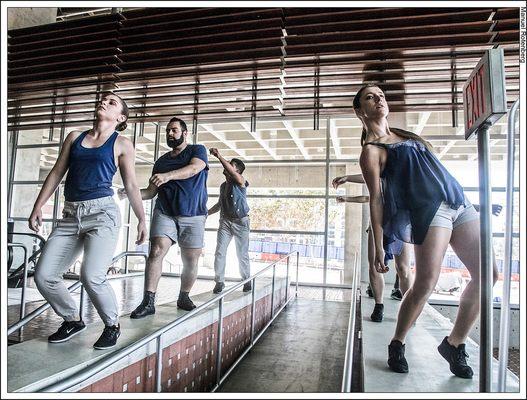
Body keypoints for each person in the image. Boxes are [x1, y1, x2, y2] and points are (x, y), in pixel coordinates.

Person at [354, 83, 498, 378]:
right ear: (360, 110)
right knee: (425, 283)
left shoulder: (407, 136)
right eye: (370, 97)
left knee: (489, 274)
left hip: (459, 202)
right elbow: (377, 199)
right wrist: (379, 243)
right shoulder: (372, 151)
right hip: (428, 212)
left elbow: (434, 173)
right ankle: (397, 342)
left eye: (381, 95)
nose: (378, 99)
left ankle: (454, 343)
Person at [29, 92, 147, 349]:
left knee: (91, 275)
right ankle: (72, 319)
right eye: (103, 99)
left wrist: (141, 219)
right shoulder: (75, 137)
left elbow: (132, 184)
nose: (104, 102)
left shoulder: (122, 144)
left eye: (112, 102)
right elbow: (57, 172)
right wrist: (38, 206)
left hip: (102, 214)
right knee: (44, 275)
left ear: (121, 117)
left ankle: (112, 325)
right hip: (70, 215)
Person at [120, 117, 209, 318]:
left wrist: (168, 176)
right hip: (165, 212)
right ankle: (148, 301)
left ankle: (184, 296)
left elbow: (194, 169)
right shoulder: (161, 162)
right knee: (157, 250)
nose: (170, 133)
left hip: (193, 214)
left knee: (190, 259)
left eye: (174, 130)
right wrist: (130, 193)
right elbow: (151, 192)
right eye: (168, 130)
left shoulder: (197, 150)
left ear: (185, 133)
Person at [332, 176, 414, 322]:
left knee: (403, 269)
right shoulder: (380, 174)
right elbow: (367, 192)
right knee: (375, 266)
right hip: (377, 224)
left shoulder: (405, 174)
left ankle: (408, 309)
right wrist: (347, 183)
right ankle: (378, 305)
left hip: (400, 222)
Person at [207, 149, 251, 294]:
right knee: (220, 252)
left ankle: (246, 280)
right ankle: (219, 282)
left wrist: (219, 156)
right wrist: (207, 213)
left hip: (241, 222)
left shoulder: (241, 182)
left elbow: (233, 174)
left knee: (241, 253)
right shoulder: (223, 186)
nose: (226, 167)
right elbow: (220, 204)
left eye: (231, 165)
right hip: (225, 221)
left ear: (237, 170)